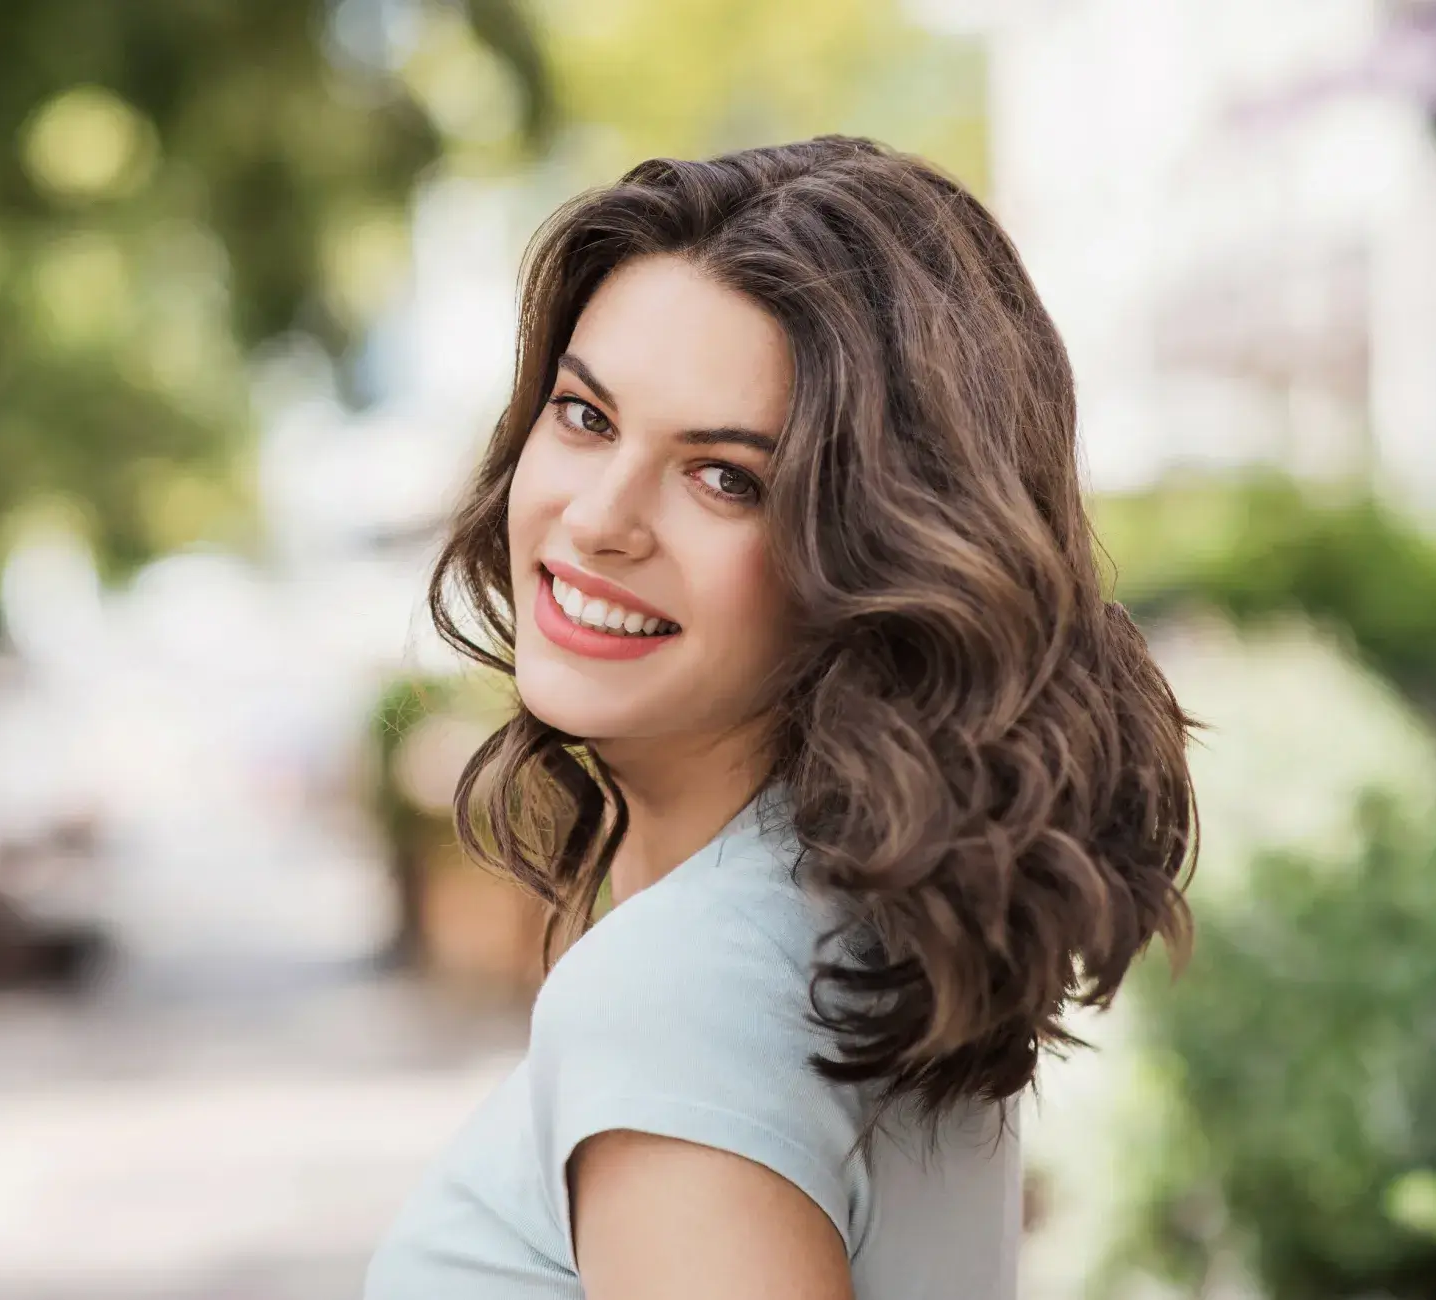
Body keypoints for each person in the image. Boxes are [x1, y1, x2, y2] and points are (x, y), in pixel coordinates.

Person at [366, 136, 1196, 1300]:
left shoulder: (682, 990)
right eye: (585, 415)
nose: (599, 517)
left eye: (725, 477)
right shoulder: (864, 936)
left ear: (871, 555)